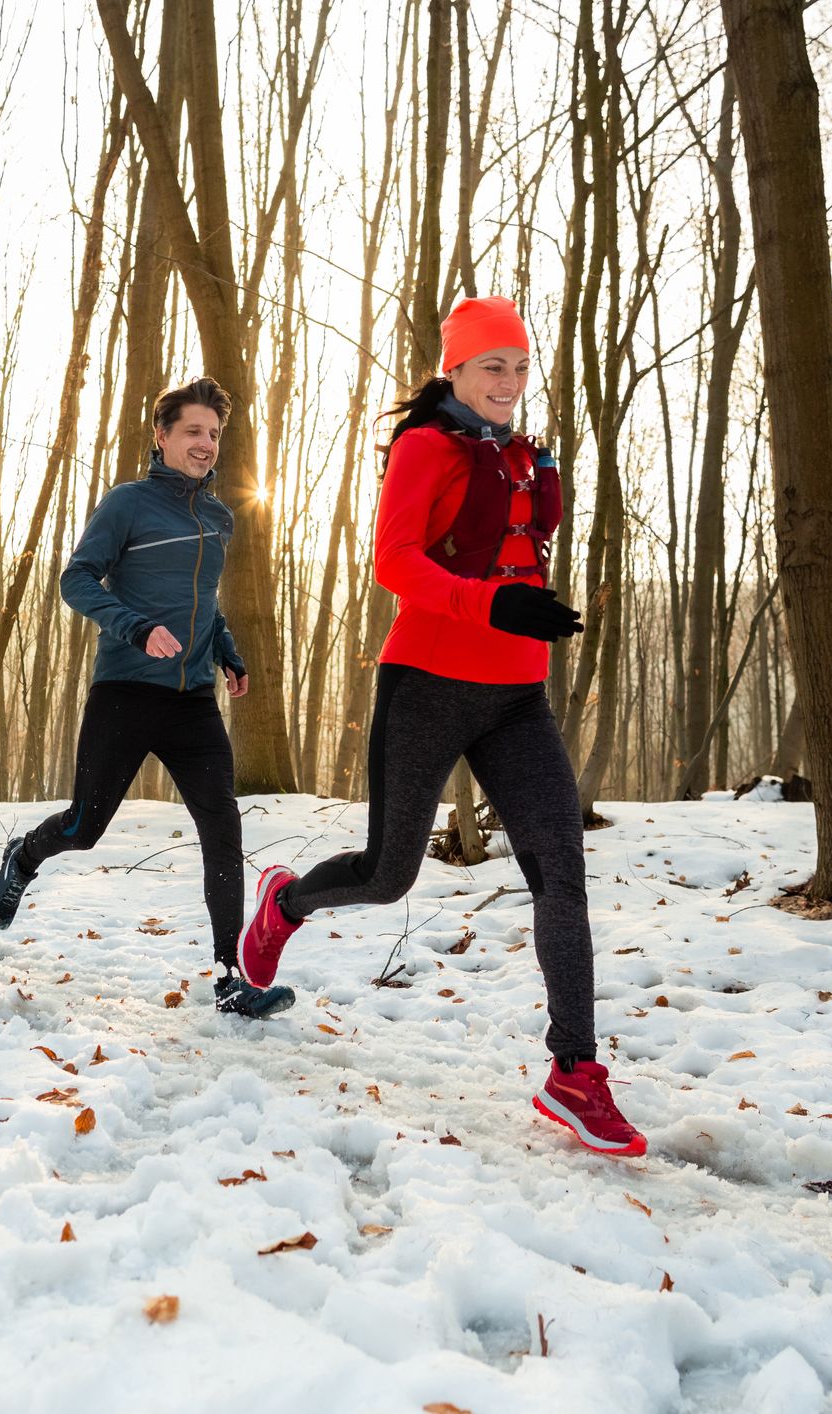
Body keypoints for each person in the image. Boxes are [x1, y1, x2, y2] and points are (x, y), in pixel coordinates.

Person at [235, 297, 648, 1156]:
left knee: (559, 870)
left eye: (519, 366)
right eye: (491, 365)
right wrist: (492, 603)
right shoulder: (425, 447)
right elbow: (394, 561)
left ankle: (573, 1071)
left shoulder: (525, 459)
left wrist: (524, 612)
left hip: (516, 699)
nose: (508, 381)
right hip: (425, 683)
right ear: (452, 371)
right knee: (388, 876)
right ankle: (285, 904)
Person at [0, 377, 294, 1020]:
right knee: (83, 827)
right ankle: (24, 857)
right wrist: (135, 627)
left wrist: (226, 650)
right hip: (126, 691)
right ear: (161, 436)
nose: (206, 444)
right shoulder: (127, 504)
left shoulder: (218, 516)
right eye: (192, 432)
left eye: (213, 434)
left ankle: (229, 975)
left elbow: (203, 605)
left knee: (223, 829)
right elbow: (76, 579)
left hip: (192, 703)